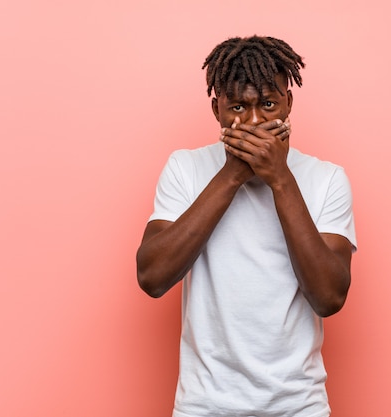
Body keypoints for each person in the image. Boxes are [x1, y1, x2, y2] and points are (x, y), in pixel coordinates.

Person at [136, 35, 357, 417]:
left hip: (297, 406)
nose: (254, 123)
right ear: (216, 109)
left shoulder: (327, 178)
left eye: (268, 105)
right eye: (238, 106)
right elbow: (152, 277)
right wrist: (233, 174)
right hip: (204, 406)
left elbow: (329, 297)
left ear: (289, 103)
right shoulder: (186, 169)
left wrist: (280, 178)